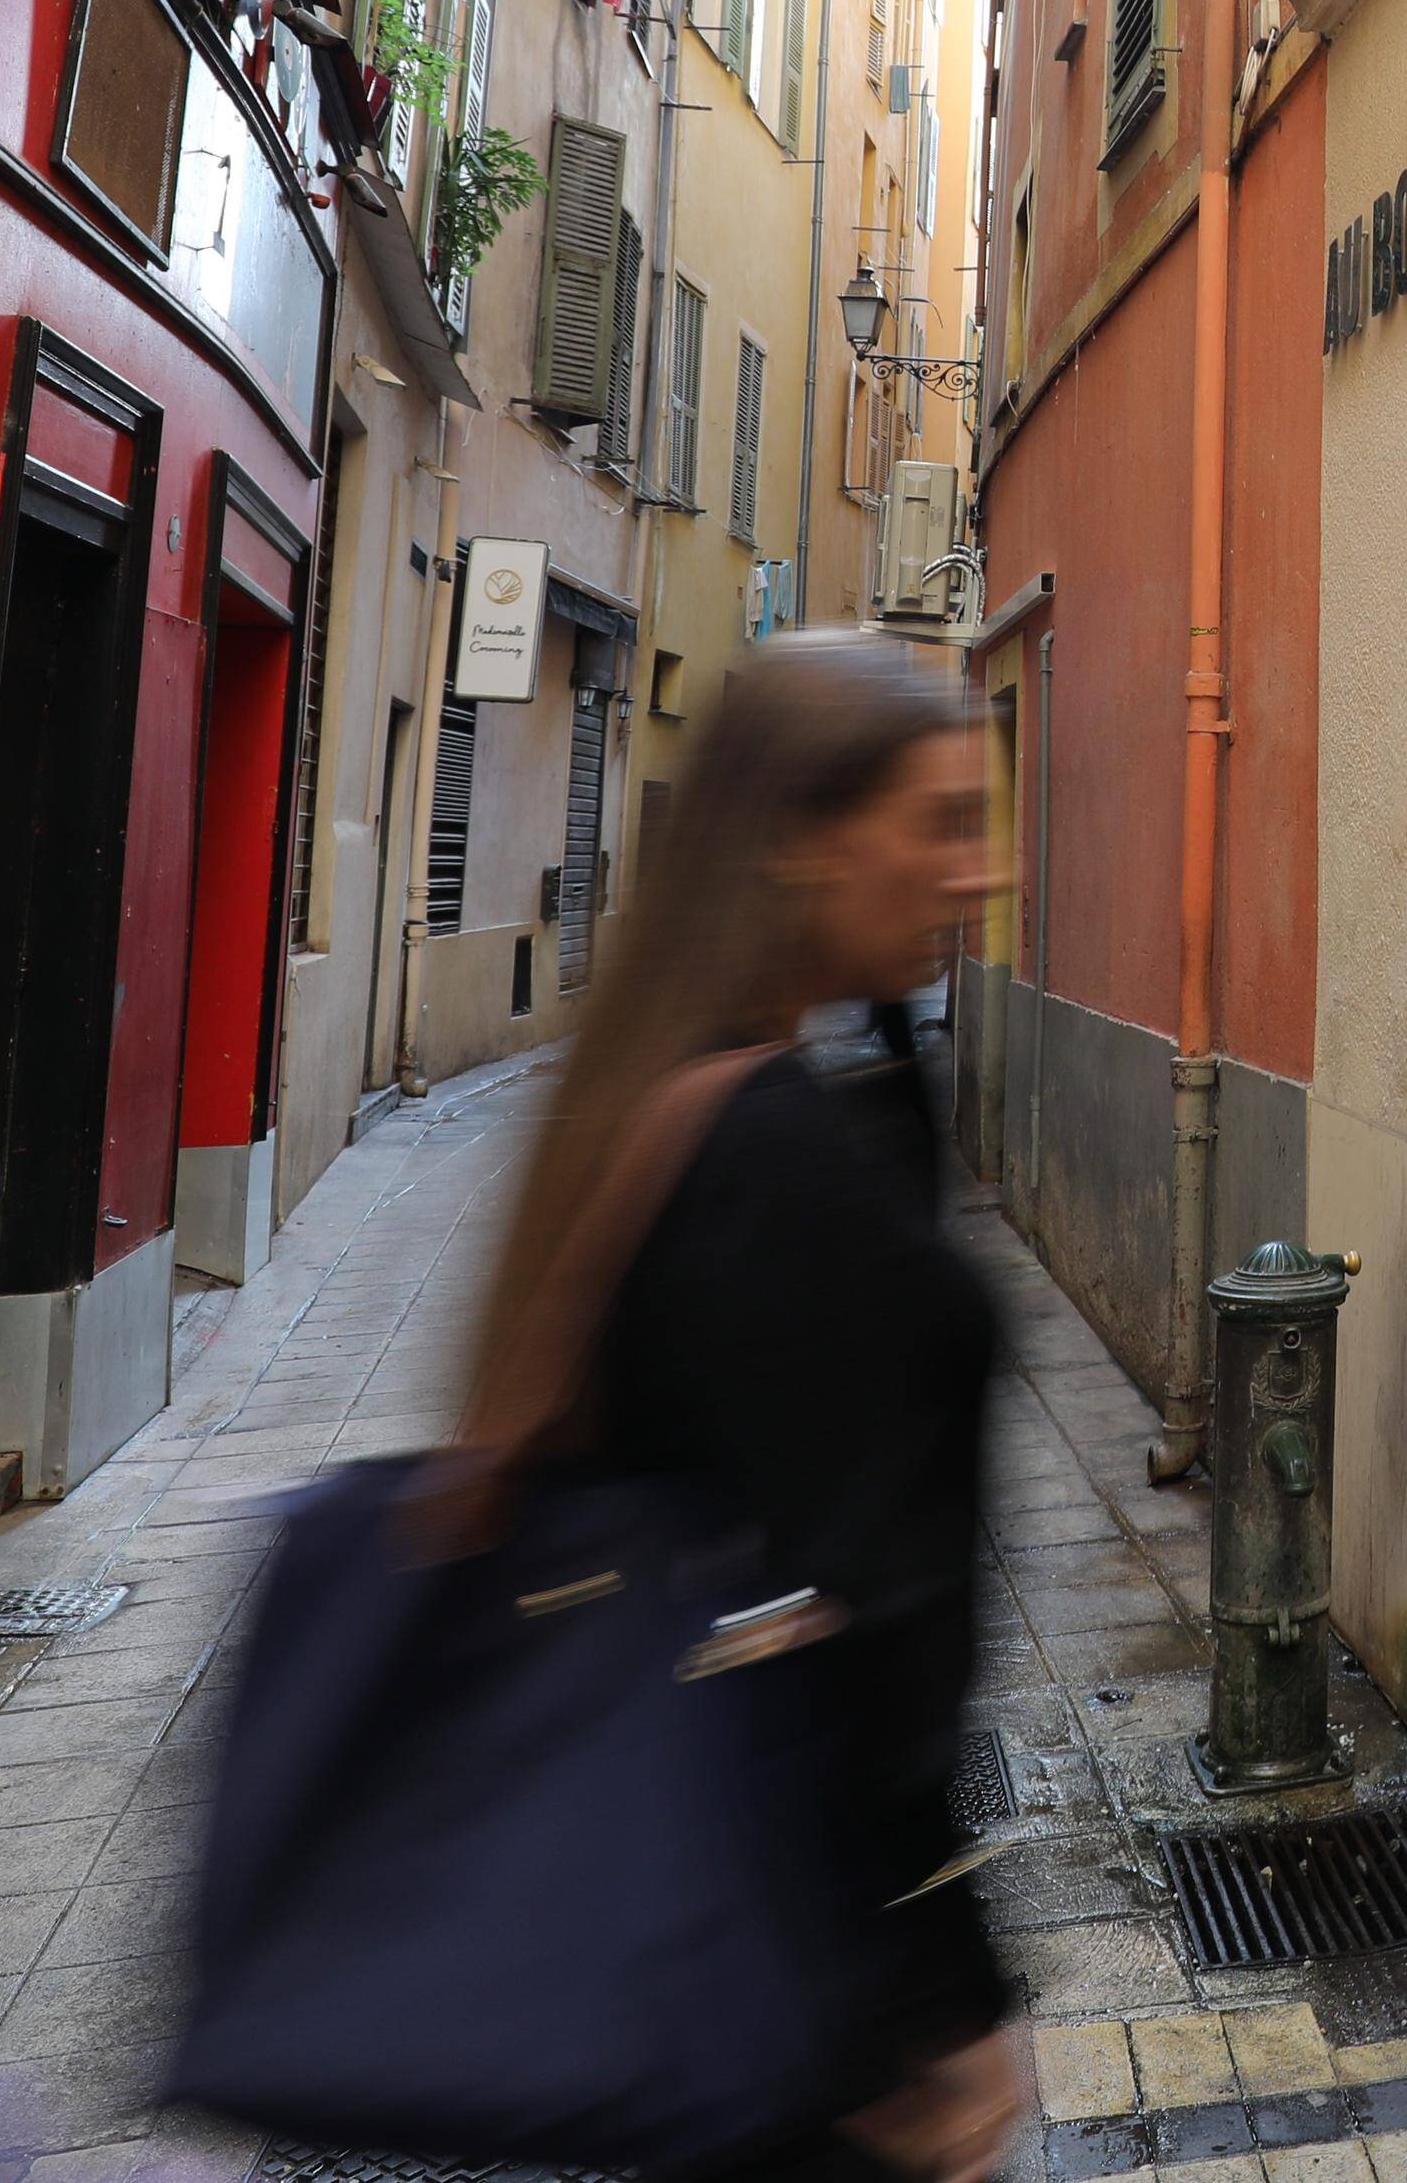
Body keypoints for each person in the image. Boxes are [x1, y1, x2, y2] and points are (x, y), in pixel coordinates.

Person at [456, 630, 1031, 2183]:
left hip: (728, 1952)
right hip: (810, 2004)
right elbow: (853, 1614)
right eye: (939, 827)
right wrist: (947, 2000)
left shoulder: (706, 1091)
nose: (976, 874)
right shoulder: (767, 1157)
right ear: (797, 843)